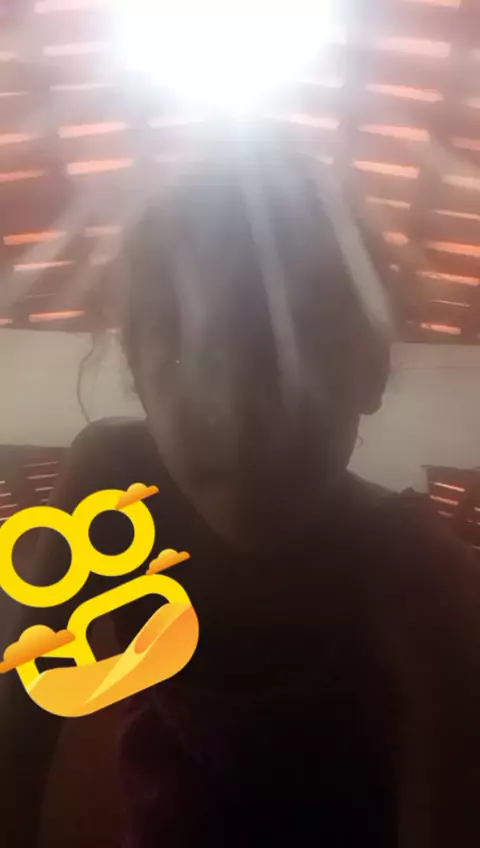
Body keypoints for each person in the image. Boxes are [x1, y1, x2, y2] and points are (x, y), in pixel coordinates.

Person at [2, 123, 480, 847]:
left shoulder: (418, 577)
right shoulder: (115, 486)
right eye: (187, 363)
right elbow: (15, 733)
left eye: (291, 355)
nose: (238, 416)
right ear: (138, 377)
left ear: (370, 368)